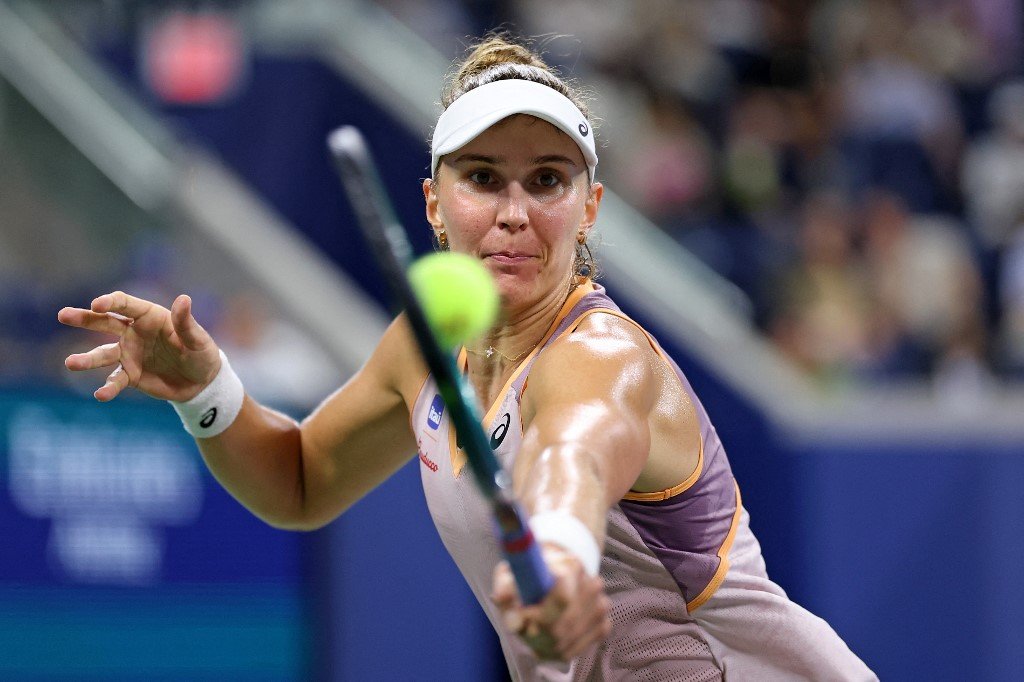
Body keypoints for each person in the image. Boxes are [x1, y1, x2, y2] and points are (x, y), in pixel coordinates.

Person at [58, 34, 876, 681]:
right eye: (483, 178)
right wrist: (205, 389)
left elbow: (572, 459)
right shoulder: (424, 349)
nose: (515, 212)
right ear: (434, 205)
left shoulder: (604, 359)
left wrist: (558, 561)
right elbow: (301, 480)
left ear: (589, 208)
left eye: (547, 181)